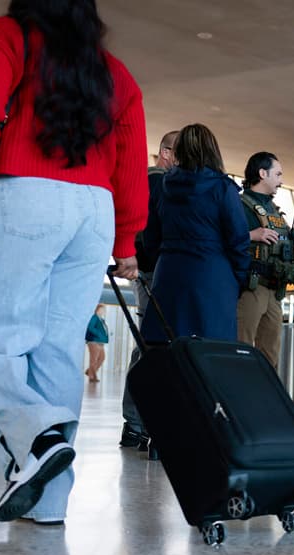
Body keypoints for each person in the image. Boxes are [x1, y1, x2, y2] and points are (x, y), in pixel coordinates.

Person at [0, 0, 147, 524]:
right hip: (95, 212)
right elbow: (131, 157)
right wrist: (126, 239)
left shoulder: (6, 37)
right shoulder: (115, 73)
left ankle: (37, 431)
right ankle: (49, 502)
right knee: (57, 351)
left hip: (24, 195)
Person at [141, 124, 251, 342]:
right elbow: (239, 239)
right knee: (211, 351)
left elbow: (150, 236)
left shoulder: (163, 185)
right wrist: (238, 278)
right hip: (213, 275)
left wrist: (161, 262)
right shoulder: (223, 187)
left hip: (169, 274)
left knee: (167, 346)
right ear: (212, 150)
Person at [120, 130, 178, 454]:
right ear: (166, 153)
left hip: (151, 270)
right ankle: (137, 422)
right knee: (150, 345)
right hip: (153, 272)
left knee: (149, 344)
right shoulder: (157, 181)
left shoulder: (149, 181)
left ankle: (136, 423)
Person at [237, 152, 294, 369]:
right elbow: (220, 238)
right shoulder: (239, 204)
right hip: (250, 287)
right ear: (262, 173)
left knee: (270, 356)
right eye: (278, 174)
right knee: (241, 349)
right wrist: (251, 235)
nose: (281, 180)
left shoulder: (275, 211)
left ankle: (264, 400)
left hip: (274, 290)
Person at [85, 304, 108, 382]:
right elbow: (90, 327)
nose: (103, 311)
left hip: (100, 341)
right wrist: (98, 334)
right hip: (94, 341)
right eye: (102, 309)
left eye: (104, 310)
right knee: (94, 359)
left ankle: (90, 371)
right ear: (97, 310)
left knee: (102, 358)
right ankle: (92, 377)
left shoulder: (101, 319)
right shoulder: (94, 317)